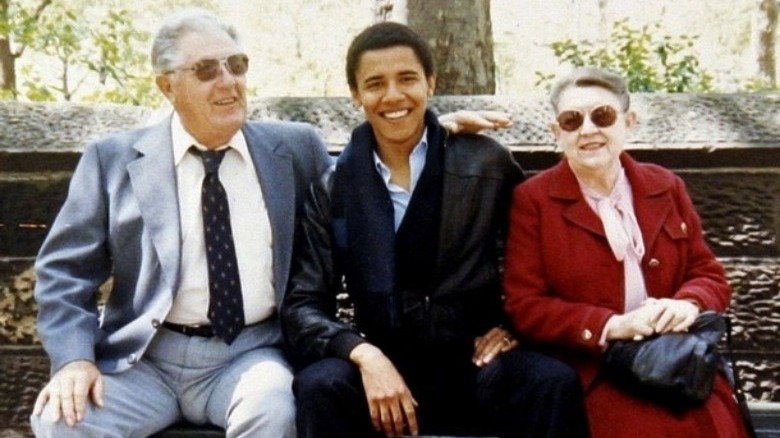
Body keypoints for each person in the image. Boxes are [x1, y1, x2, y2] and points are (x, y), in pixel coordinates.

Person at [281, 22, 589, 438]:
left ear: (430, 82)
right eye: (375, 84)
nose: (392, 96)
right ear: (356, 95)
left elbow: (539, 257)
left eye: (407, 79)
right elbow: (302, 305)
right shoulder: (335, 187)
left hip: (476, 361)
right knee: (320, 386)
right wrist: (363, 354)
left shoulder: (485, 163)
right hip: (384, 363)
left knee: (551, 382)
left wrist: (512, 327)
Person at [502, 66, 750, 438]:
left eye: (602, 116)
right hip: (599, 369)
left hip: (677, 362)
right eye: (572, 121)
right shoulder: (533, 200)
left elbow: (708, 274)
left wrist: (687, 304)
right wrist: (611, 326)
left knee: (718, 422)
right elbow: (525, 305)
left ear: (628, 122)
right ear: (557, 133)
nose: (588, 130)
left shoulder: (665, 186)